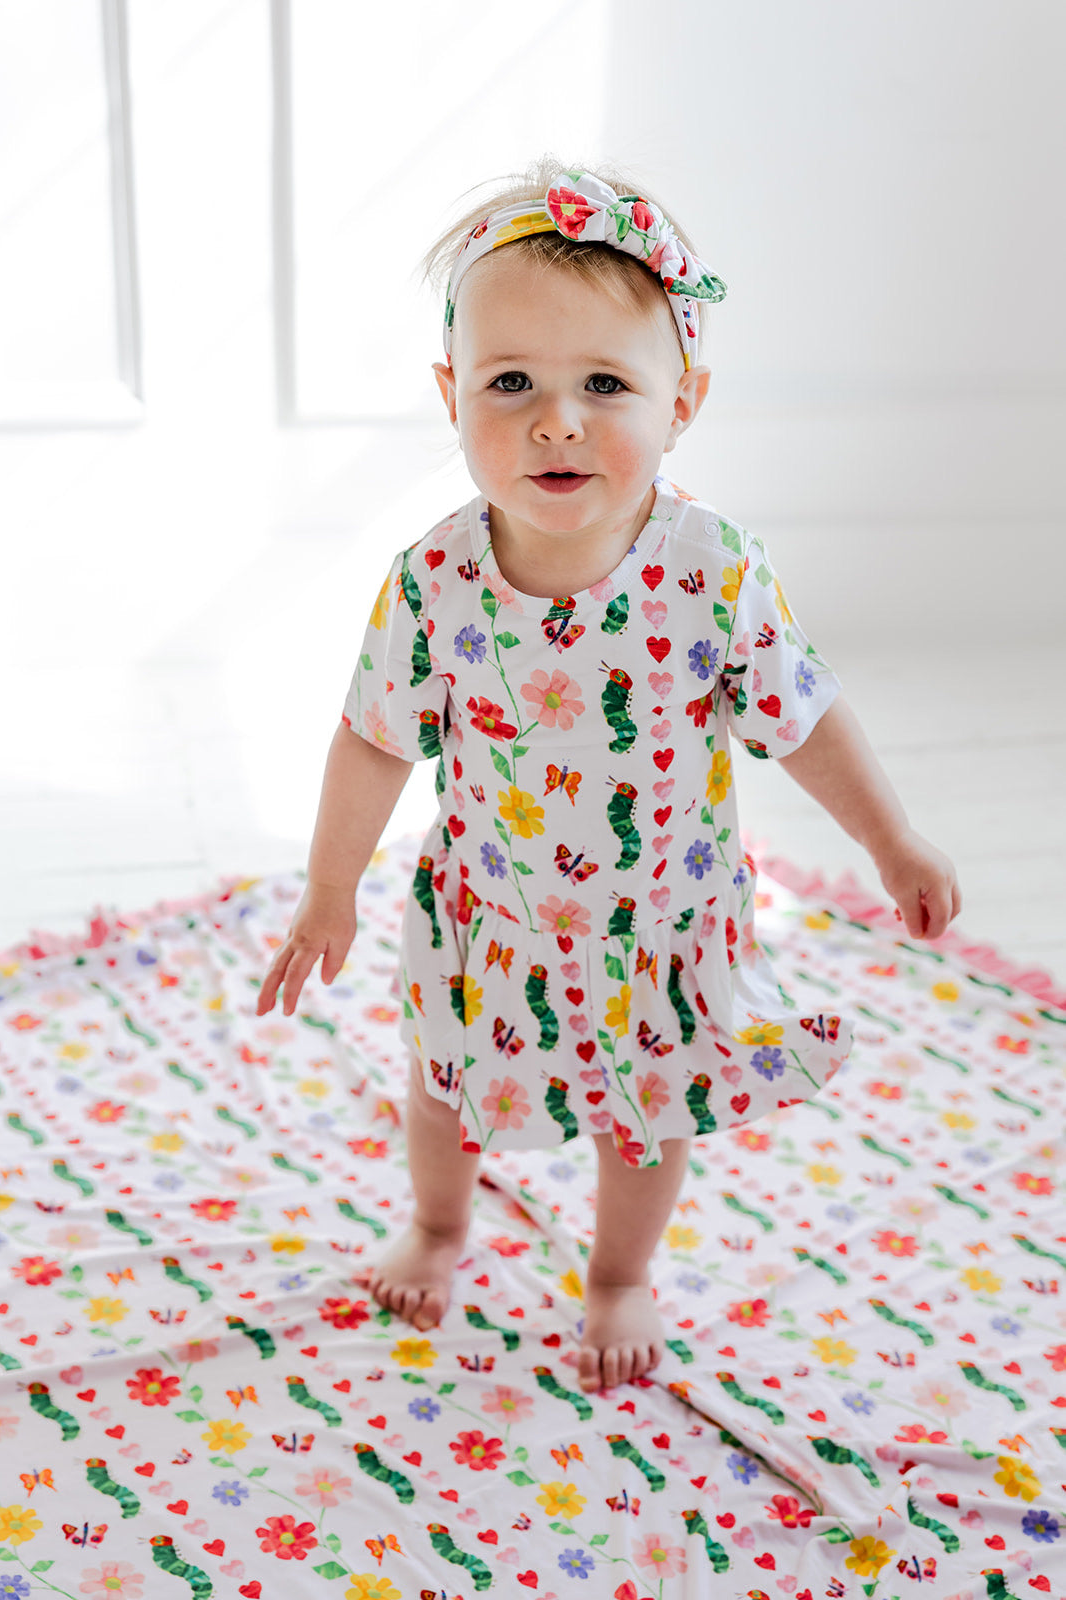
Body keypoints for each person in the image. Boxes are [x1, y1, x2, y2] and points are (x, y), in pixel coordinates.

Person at [256, 158, 961, 1395]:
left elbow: (801, 716)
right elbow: (372, 738)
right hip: (489, 913)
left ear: (680, 401)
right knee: (442, 1087)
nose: (556, 421)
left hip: (661, 922)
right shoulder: (434, 582)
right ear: (450, 394)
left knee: (646, 1114)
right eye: (510, 383)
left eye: (603, 384)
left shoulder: (709, 572)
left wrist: (888, 838)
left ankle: (619, 1272)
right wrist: (329, 890)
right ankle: (437, 1220)